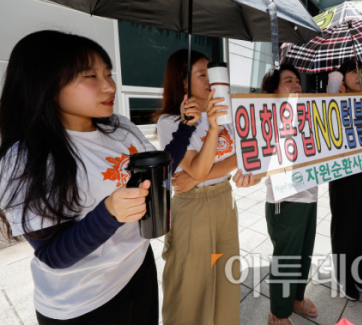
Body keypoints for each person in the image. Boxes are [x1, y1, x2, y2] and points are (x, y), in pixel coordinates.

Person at [0, 31, 195, 325]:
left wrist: (187, 129)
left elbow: (160, 165)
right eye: (91, 76)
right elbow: (52, 254)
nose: (110, 86)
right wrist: (109, 213)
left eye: (108, 73)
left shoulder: (119, 127)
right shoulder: (28, 158)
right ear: (46, 84)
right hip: (81, 302)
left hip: (137, 268)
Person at [156, 50, 240, 325]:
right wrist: (212, 131)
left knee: (226, 277)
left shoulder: (228, 112)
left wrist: (197, 175)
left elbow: (244, 154)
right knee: (190, 287)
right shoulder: (171, 122)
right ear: (183, 83)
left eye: (212, 73)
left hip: (225, 200)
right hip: (193, 208)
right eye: (202, 75)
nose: (211, 80)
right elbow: (200, 168)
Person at [260, 64, 318, 325]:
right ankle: (278, 313)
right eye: (288, 81)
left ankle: (296, 298)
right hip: (285, 201)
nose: (296, 84)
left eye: (297, 80)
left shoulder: (308, 114)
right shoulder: (267, 117)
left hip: (310, 195)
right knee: (286, 257)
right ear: (273, 90)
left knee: (304, 252)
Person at [328, 59, 362, 300]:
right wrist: (334, 97)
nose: (360, 76)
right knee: (345, 224)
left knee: (361, 222)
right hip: (341, 170)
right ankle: (344, 277)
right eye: (354, 72)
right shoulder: (333, 100)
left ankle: (360, 273)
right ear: (341, 78)